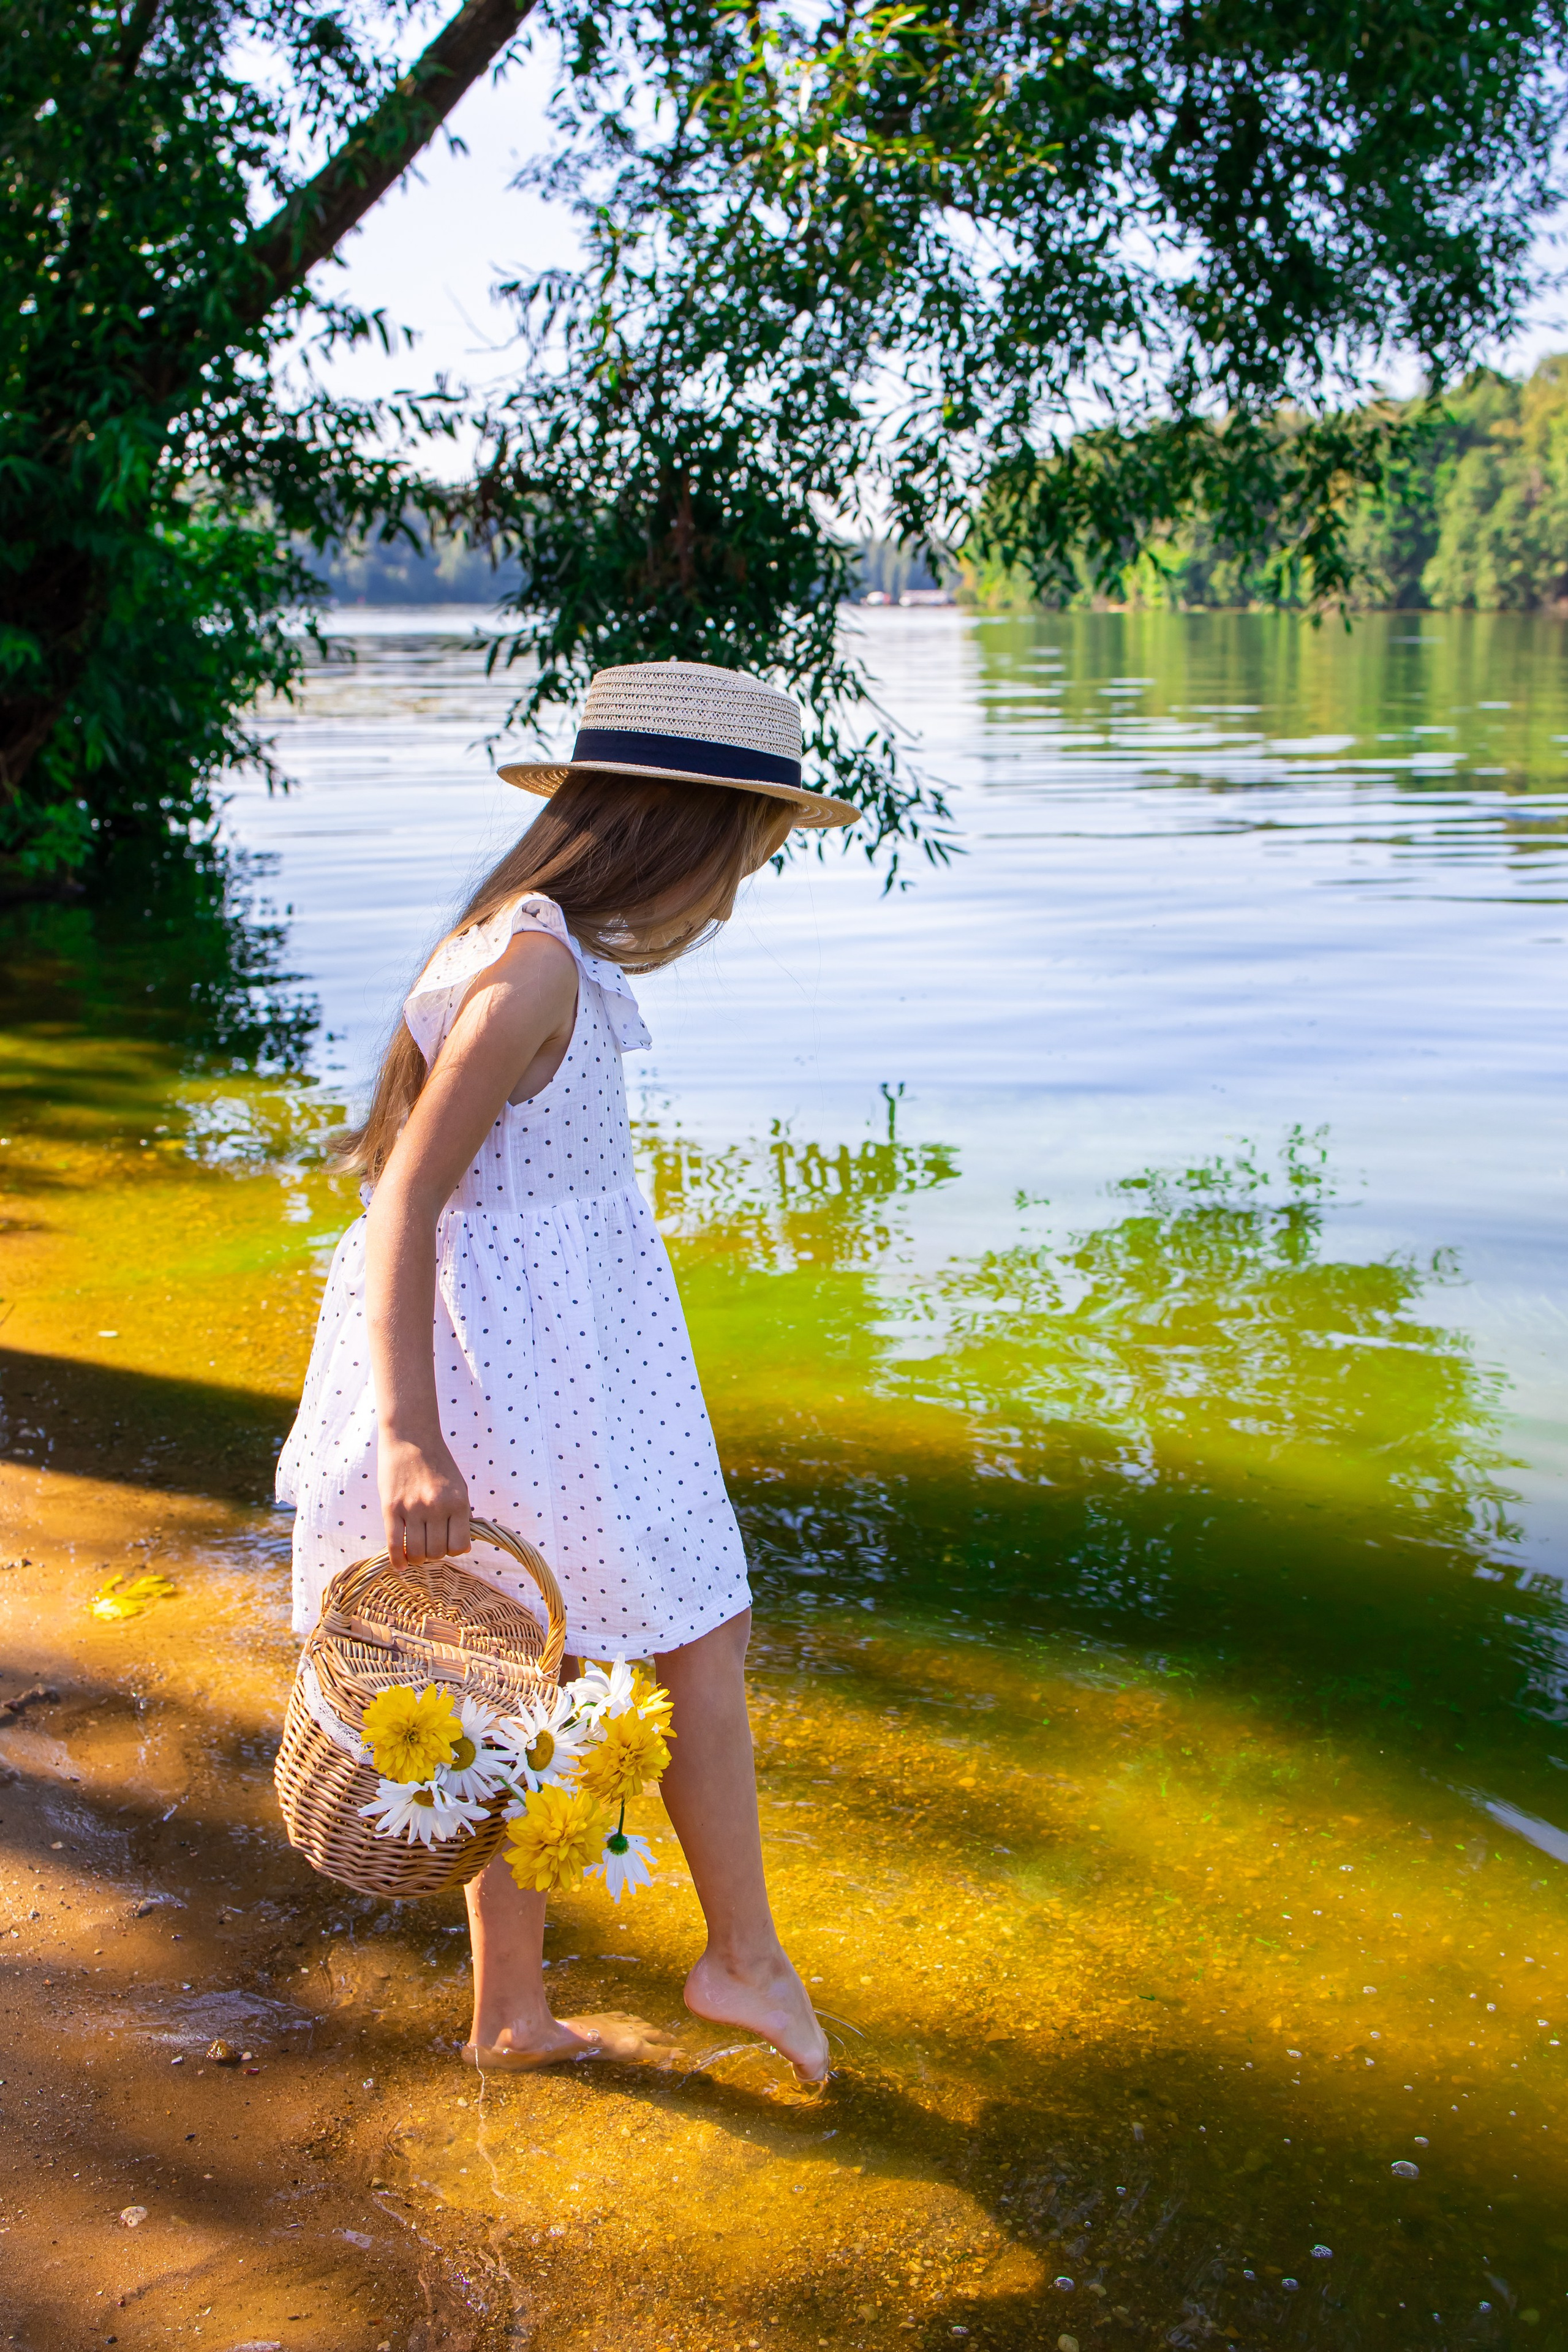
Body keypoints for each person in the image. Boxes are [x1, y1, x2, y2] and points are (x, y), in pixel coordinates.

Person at [276, 660, 856, 2082]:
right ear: (681, 829)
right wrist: (410, 1438)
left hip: (561, 1363)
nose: (733, 894)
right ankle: (741, 1962)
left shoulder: (535, 949)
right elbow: (405, 1197)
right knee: (693, 1637)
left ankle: (510, 2015)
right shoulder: (534, 968)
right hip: (529, 1373)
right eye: (744, 855)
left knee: (535, 1675)